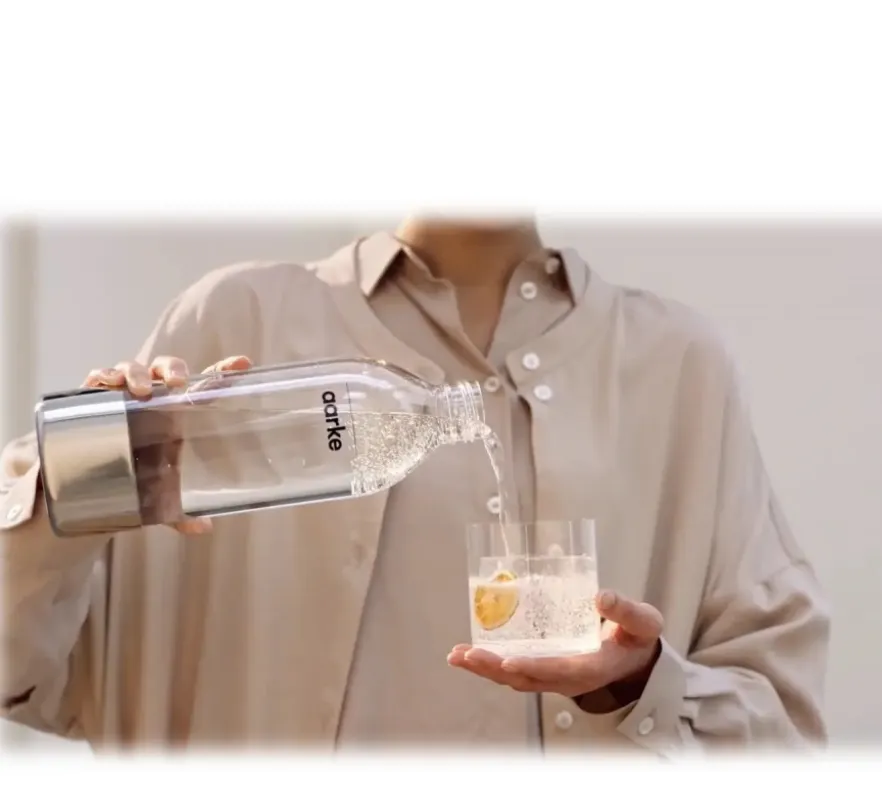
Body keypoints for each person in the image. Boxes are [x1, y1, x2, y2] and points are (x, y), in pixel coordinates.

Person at [0, 217, 829, 752]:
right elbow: (24, 671)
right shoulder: (236, 318)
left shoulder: (677, 364)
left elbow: (784, 734)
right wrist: (79, 472)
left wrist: (639, 683)